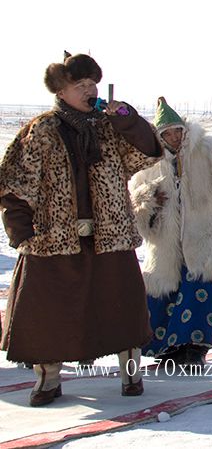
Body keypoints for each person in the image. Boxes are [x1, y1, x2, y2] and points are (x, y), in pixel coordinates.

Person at [0, 52, 162, 406]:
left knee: (122, 309)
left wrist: (127, 119)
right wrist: (21, 231)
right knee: (48, 313)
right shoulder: (41, 130)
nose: (90, 90)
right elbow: (15, 183)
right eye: (81, 85)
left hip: (111, 236)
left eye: (92, 84)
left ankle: (131, 374)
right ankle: (48, 379)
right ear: (61, 90)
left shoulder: (109, 127)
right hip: (53, 239)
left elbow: (150, 152)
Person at [130, 97, 212, 366]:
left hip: (208, 238)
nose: (173, 137)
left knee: (199, 294)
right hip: (167, 244)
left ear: (185, 129)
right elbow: (136, 202)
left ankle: (193, 349)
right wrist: (149, 198)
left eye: (177, 131)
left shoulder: (208, 149)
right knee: (163, 296)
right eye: (167, 134)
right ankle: (165, 350)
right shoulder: (150, 162)